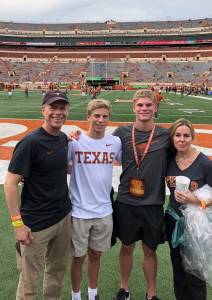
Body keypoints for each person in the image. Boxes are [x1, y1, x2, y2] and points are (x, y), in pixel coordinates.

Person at [4, 90, 72, 300]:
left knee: (57, 272)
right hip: (36, 222)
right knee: (29, 281)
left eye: (62, 108)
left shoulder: (63, 139)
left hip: (62, 216)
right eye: (53, 107)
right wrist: (18, 224)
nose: (58, 112)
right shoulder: (31, 142)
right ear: (43, 110)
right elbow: (10, 184)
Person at [114, 90, 170, 300]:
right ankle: (124, 288)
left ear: (155, 107)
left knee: (150, 251)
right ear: (133, 107)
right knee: (126, 247)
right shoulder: (120, 132)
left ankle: (151, 293)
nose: (144, 109)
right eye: (140, 105)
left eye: (148, 105)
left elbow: (184, 155)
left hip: (153, 203)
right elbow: (98, 147)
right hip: (126, 202)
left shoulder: (165, 135)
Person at [68, 99, 122, 300]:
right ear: (88, 117)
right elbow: (59, 164)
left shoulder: (114, 142)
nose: (101, 120)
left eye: (105, 116)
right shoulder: (74, 141)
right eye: (97, 116)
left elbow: (131, 163)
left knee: (96, 255)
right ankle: (75, 295)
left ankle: (92, 293)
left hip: (104, 210)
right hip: (79, 210)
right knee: (78, 257)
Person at [165, 118, 212, 300]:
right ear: (173, 138)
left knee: (195, 272)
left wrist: (196, 200)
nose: (182, 139)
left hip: (196, 225)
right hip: (173, 220)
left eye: (186, 135)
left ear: (192, 137)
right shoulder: (168, 159)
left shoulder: (204, 163)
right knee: (178, 269)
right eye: (177, 135)